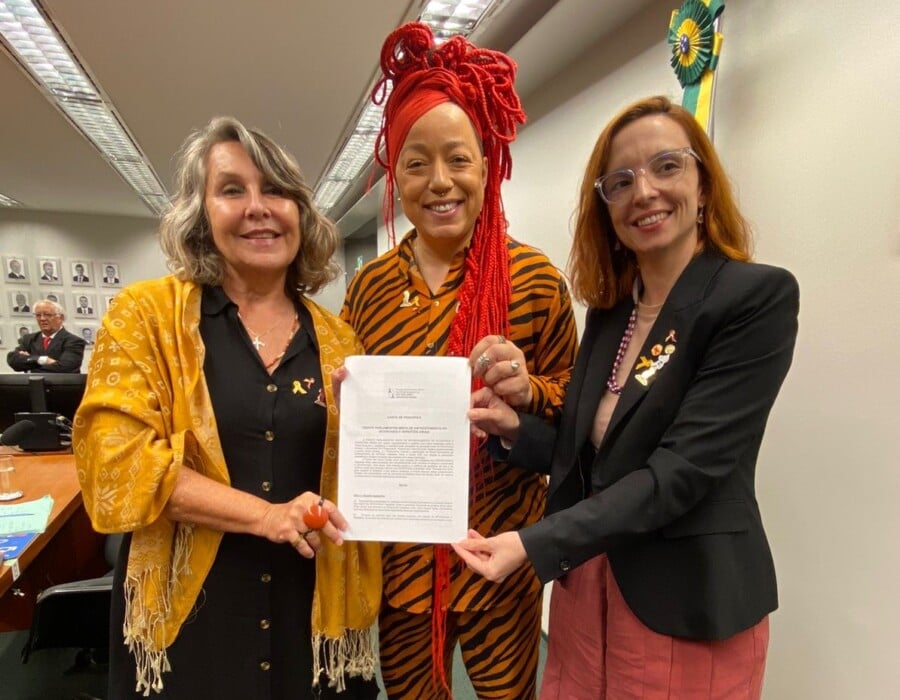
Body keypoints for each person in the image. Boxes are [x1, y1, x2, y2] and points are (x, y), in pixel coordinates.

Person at [454, 95, 800, 699]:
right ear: (604, 205)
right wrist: (512, 429)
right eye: (621, 180)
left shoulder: (754, 299)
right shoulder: (612, 311)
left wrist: (534, 542)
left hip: (686, 601)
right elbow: (587, 452)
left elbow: (682, 473)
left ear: (704, 182)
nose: (644, 191)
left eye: (667, 166)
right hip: (590, 589)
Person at [73, 116, 382, 698]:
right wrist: (264, 515)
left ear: (302, 213)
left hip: (310, 608)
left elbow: (360, 481)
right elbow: (113, 464)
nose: (258, 207)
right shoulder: (146, 317)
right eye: (233, 189)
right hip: (191, 612)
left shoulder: (340, 342)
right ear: (201, 212)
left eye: (277, 191)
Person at [340, 22, 578, 699]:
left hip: (501, 555)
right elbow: (346, 422)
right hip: (401, 561)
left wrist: (526, 395)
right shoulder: (369, 289)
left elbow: (575, 423)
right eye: (416, 163)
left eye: (459, 159)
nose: (439, 182)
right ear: (394, 174)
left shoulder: (533, 279)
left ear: (488, 164)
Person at [6, 300, 85, 373]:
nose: (42, 319)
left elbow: (65, 368)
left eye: (47, 315)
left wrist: (29, 363)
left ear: (61, 318)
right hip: (33, 386)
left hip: (61, 387)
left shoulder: (74, 341)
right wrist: (43, 360)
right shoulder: (29, 339)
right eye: (38, 315)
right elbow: (13, 360)